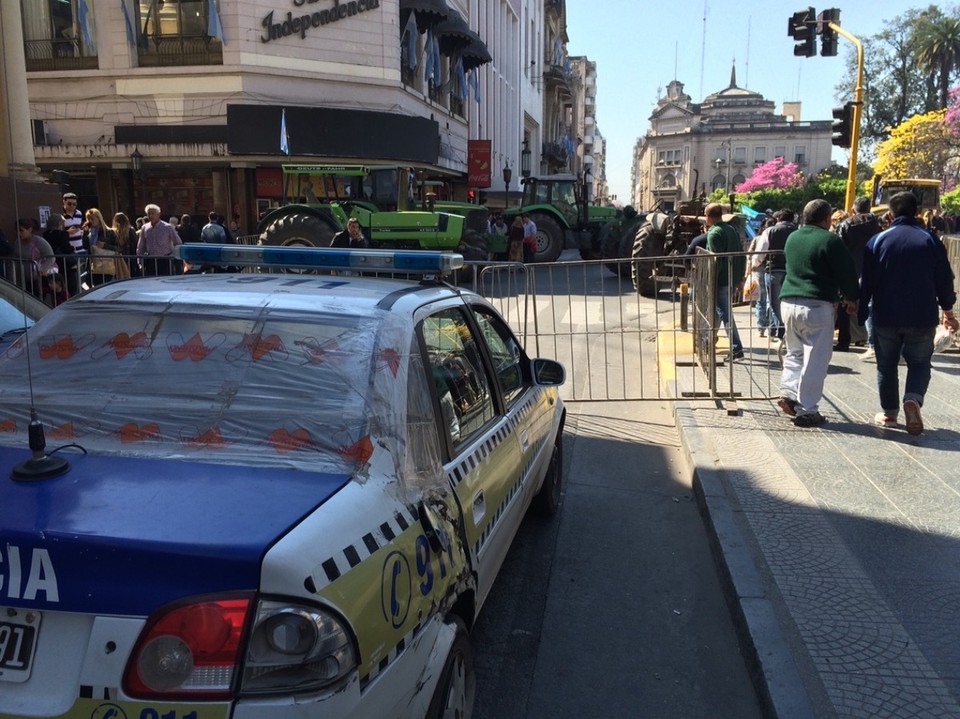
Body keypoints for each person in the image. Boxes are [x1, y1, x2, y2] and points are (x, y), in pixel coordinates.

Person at [858, 191, 958, 435]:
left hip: (885, 315)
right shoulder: (930, 240)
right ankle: (913, 399)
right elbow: (944, 278)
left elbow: (867, 282)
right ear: (917, 213)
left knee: (886, 365)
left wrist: (861, 312)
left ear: (890, 214)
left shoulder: (878, 241)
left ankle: (889, 414)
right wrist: (948, 311)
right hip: (921, 315)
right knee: (920, 362)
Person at [777, 199, 859, 428]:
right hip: (816, 306)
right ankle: (807, 410)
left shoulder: (793, 237)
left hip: (788, 303)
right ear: (826, 219)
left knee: (794, 353)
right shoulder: (830, 240)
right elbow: (846, 272)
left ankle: (789, 393)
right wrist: (851, 298)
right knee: (816, 359)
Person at [835, 196, 879, 352]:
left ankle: (844, 341)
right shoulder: (878, 223)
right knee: (872, 306)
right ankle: (870, 341)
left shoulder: (846, 224)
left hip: (850, 270)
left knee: (844, 306)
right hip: (873, 269)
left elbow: (839, 249)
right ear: (869, 207)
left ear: (854, 208)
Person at [704, 203, 745, 360]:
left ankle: (737, 348)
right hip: (731, 278)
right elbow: (741, 254)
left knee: (725, 314)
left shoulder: (714, 233)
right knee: (717, 312)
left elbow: (715, 261)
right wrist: (740, 278)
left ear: (708, 215)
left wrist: (710, 281)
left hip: (720, 280)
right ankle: (709, 340)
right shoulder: (731, 230)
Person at [764, 208, 798, 340]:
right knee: (789, 302)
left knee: (774, 303)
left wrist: (755, 264)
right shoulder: (797, 232)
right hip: (790, 271)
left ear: (778, 219)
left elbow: (761, 250)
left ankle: (781, 331)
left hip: (773, 269)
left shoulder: (770, 231)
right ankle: (775, 329)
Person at [13, 218, 57, 297]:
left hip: (38, 280)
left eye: (21, 230)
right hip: (24, 279)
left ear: (30, 229)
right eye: (17, 231)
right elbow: (16, 258)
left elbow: (51, 256)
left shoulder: (39, 241)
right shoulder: (17, 242)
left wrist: (41, 270)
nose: (18, 233)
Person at [136, 204, 182, 276]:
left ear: (158, 214)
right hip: (151, 261)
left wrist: (173, 256)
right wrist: (140, 262)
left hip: (165, 261)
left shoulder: (168, 227)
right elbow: (141, 246)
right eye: (149, 214)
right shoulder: (144, 228)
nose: (150, 216)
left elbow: (178, 243)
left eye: (153, 214)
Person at [84, 208, 124, 286]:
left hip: (106, 266)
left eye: (92, 218)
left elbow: (119, 247)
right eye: (88, 219)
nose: (90, 221)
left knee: (103, 286)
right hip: (92, 266)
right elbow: (85, 246)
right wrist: (84, 234)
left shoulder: (109, 232)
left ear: (98, 219)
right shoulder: (89, 233)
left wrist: (105, 245)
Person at [112, 212, 141, 278]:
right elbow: (135, 243)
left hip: (119, 257)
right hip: (130, 257)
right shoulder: (130, 230)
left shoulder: (113, 231)